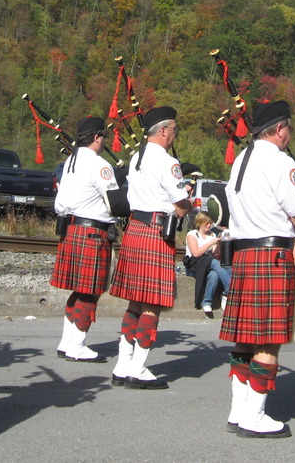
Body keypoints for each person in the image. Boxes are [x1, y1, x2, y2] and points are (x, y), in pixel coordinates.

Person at [220, 101, 295, 439]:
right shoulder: (279, 161)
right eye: (289, 129)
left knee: (244, 338)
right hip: (271, 255)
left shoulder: (241, 160)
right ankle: (254, 416)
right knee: (269, 341)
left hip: (245, 255)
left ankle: (239, 409)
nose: (290, 135)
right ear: (278, 130)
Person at [109, 106, 191, 389]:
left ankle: (123, 364)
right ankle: (138, 368)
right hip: (157, 232)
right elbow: (180, 203)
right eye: (175, 131)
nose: (174, 136)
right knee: (152, 304)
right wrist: (184, 208)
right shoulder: (168, 162)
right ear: (165, 130)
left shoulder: (136, 158)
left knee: (135, 301)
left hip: (134, 229)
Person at [51, 116, 119, 362]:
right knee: (90, 292)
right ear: (97, 137)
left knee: (80, 291)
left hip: (72, 229)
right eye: (103, 137)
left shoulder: (71, 160)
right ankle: (77, 345)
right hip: (93, 233)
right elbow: (115, 203)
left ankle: (67, 342)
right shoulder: (100, 165)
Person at [184, 212, 231, 314]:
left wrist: (218, 244)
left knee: (214, 275)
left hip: (208, 263)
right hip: (194, 264)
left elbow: (215, 254)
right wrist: (210, 243)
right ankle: (229, 290)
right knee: (213, 262)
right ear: (200, 223)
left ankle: (207, 302)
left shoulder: (212, 235)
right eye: (206, 223)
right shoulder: (192, 234)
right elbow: (196, 253)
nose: (209, 226)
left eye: (210, 223)